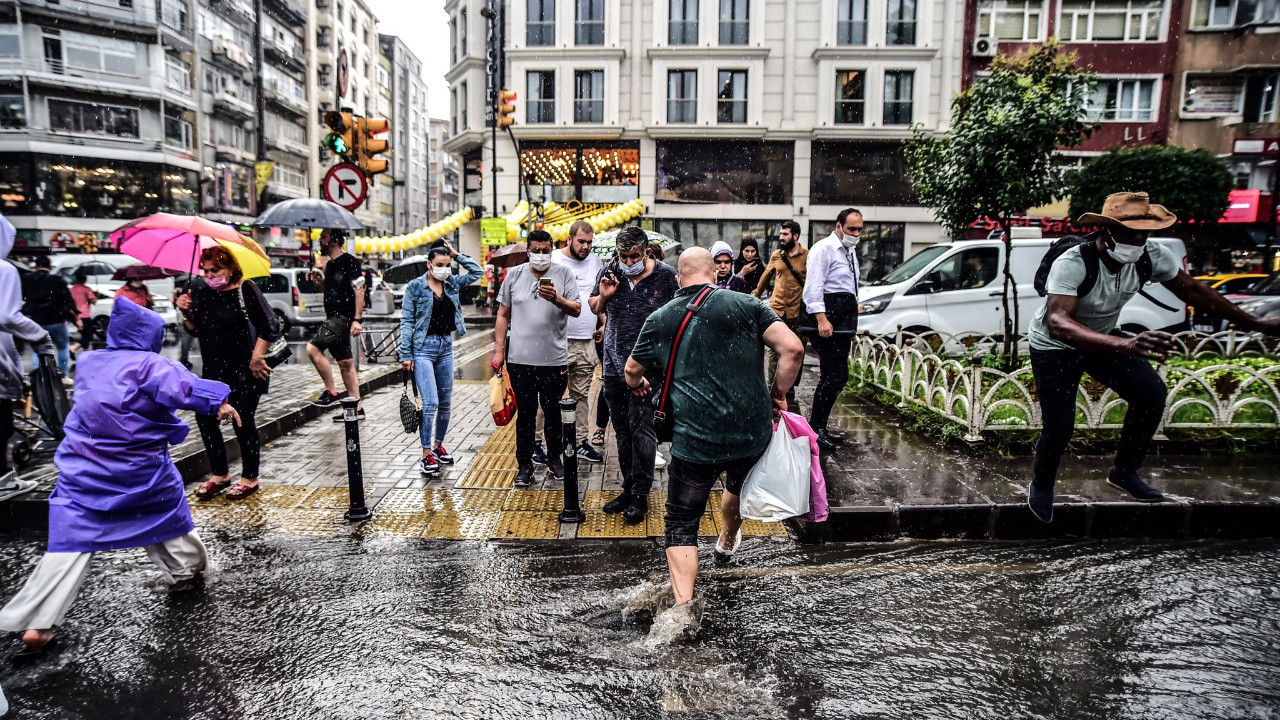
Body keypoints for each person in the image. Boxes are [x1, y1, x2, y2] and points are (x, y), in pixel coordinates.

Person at [0, 297, 240, 655]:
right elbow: (184, 387)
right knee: (166, 518)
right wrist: (218, 402)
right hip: (138, 469)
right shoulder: (150, 364)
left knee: (70, 545)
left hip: (83, 470)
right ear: (151, 336)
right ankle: (187, 572)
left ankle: (38, 623)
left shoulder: (90, 361)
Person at [1027, 192, 1280, 523]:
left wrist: (1255, 323)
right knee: (1060, 426)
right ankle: (1043, 485)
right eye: (1131, 234)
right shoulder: (1073, 262)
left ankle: (1123, 472)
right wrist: (1126, 344)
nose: (1139, 241)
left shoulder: (1151, 256)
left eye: (1144, 234)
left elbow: (1193, 290)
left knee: (1150, 394)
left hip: (1105, 339)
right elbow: (1059, 323)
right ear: (1106, 232)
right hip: (1055, 346)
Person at [626, 247, 804, 617]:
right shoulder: (748, 305)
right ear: (715, 274)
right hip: (750, 437)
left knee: (680, 522)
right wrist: (778, 394)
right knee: (736, 486)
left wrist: (639, 383)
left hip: (695, 443)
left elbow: (631, 370)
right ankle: (726, 539)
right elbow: (793, 349)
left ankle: (683, 607)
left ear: (679, 280)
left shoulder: (662, 317)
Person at [589, 226, 680, 523]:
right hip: (614, 365)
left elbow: (677, 317)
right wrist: (604, 296)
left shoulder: (665, 276)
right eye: (624, 256)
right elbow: (594, 306)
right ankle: (628, 488)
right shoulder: (610, 271)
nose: (629, 262)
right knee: (622, 430)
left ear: (647, 252)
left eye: (635, 256)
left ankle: (641, 494)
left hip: (648, 368)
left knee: (643, 429)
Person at [177, 247, 281, 501]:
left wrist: (257, 357)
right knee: (205, 419)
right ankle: (220, 474)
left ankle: (250, 477)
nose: (210, 275)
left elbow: (270, 326)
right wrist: (185, 312)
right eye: (206, 270)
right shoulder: (202, 293)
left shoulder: (246, 290)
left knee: (242, 421)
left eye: (216, 270)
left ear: (231, 268)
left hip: (246, 370)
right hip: (213, 371)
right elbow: (196, 331)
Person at [490, 230, 581, 487]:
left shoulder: (563, 274)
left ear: (552, 249)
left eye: (546, 250)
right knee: (526, 414)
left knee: (553, 413)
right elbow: (502, 314)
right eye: (536, 251)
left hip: (554, 359)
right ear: (528, 251)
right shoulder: (514, 276)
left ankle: (555, 459)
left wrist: (557, 299)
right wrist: (499, 351)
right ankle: (525, 465)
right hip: (520, 360)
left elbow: (576, 310)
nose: (541, 255)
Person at [397, 240, 483, 476]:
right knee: (431, 402)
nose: (444, 269)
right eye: (439, 265)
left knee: (445, 403)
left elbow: (478, 272)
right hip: (422, 349)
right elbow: (407, 321)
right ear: (429, 264)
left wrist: (457, 255)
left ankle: (438, 446)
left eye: (447, 264)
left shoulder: (452, 284)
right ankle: (426, 454)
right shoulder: (415, 287)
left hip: (446, 347)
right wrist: (406, 353)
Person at [539, 220, 605, 465]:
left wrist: (603, 322)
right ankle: (539, 443)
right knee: (548, 397)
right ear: (569, 239)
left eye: (589, 242)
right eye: (581, 242)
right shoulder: (554, 260)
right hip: (557, 340)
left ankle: (579, 442)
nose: (586, 247)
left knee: (581, 395)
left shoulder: (596, 262)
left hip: (586, 341)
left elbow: (597, 296)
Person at [802, 208, 863, 451]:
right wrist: (821, 319)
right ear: (838, 226)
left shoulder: (850, 250)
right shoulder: (824, 249)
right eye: (851, 229)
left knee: (831, 375)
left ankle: (818, 428)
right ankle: (815, 429)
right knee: (836, 376)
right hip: (828, 321)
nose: (856, 234)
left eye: (859, 229)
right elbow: (813, 287)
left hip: (841, 321)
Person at [0, 216, 54, 491]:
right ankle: (4, 481)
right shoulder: (4, 270)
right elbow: (7, 316)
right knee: (1, 426)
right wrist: (40, 337)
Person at [307, 229, 366, 418]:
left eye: (323, 237)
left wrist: (357, 319)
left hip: (342, 317)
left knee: (312, 349)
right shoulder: (331, 265)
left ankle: (331, 391)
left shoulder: (350, 262)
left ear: (335, 240)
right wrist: (320, 284)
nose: (319, 240)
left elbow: (359, 290)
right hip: (334, 316)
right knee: (346, 363)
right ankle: (357, 409)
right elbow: (333, 293)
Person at [754, 221, 810, 405]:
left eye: (785, 234)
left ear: (795, 236)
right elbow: (765, 277)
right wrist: (755, 295)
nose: (781, 237)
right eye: (781, 234)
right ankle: (772, 386)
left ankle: (790, 385)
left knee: (796, 349)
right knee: (773, 350)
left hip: (797, 311)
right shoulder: (777, 255)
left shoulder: (807, 256)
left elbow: (811, 283)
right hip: (776, 309)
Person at [20, 254, 78, 376]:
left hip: (35, 320)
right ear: (50, 267)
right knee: (62, 347)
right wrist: (76, 317)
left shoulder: (27, 279)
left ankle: (39, 376)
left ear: (36, 267)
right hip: (57, 319)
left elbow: (22, 297)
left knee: (37, 350)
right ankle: (63, 375)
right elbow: (68, 300)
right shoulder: (58, 280)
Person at [172, 274, 198, 369]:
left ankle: (184, 358)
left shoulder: (194, 289)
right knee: (185, 340)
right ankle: (184, 359)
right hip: (184, 320)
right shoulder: (182, 292)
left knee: (186, 340)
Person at [68, 270, 97, 350]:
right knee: (89, 336)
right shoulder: (87, 289)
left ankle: (85, 352)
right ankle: (74, 347)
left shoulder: (71, 290)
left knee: (84, 335)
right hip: (84, 315)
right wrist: (96, 295)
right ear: (85, 279)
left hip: (74, 316)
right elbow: (94, 301)